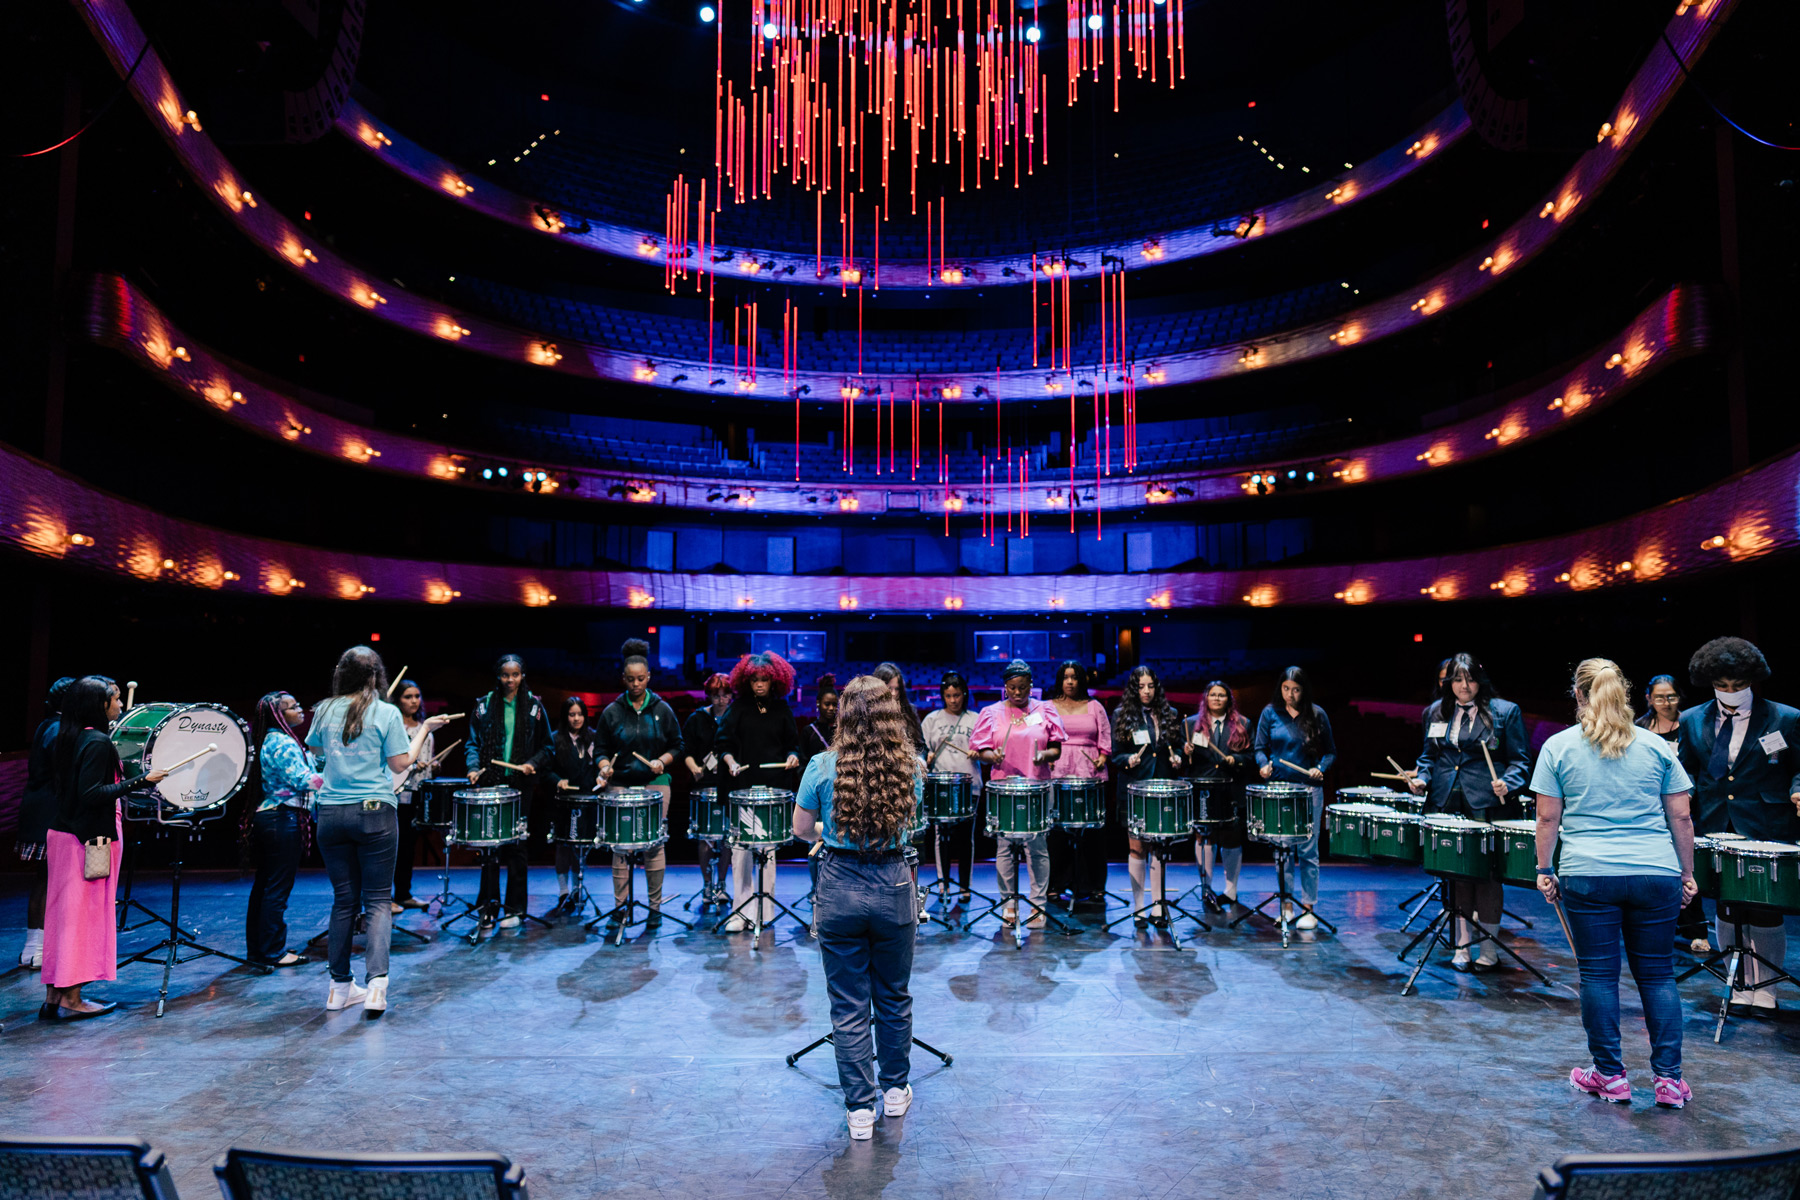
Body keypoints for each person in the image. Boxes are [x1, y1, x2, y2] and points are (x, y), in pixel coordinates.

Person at [1532, 658, 1696, 1109]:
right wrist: (1686, 874)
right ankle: (1669, 1082)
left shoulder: (1558, 746)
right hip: (1655, 873)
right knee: (1658, 975)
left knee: (1598, 977)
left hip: (1589, 875)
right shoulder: (1657, 746)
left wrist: (1544, 869)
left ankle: (1610, 1076)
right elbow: (1681, 817)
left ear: (1578, 695)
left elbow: (1547, 818)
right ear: (1624, 693)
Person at [792, 675, 925, 1140]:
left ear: (844, 715)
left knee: (848, 1004)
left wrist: (831, 832)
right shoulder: (910, 766)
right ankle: (895, 1091)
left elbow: (801, 829)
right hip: (893, 882)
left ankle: (860, 1111)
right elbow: (909, 826)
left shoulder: (821, 765)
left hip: (839, 885)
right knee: (893, 995)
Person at [308, 647, 448, 1015]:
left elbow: (318, 752)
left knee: (343, 901)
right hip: (374, 813)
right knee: (378, 901)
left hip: (331, 814)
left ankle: (338, 989)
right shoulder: (386, 712)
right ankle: (376, 988)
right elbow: (401, 763)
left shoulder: (324, 709)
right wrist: (425, 730)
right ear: (376, 677)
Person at [1675, 637, 1800, 1010]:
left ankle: (1766, 989)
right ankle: (1740, 983)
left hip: (1765, 822)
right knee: (1727, 903)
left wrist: (1798, 789)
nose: (1731, 692)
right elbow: (1686, 770)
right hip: (1714, 821)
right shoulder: (1691, 719)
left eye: (1738, 685)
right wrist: (1682, 795)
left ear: (1753, 680)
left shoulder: (1785, 718)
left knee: (1762, 905)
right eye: (1722, 685)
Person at [40, 676, 165, 1021]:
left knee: (63, 918)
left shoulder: (69, 736)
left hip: (65, 835)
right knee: (83, 920)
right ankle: (73, 999)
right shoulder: (96, 742)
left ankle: (54, 996)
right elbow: (92, 794)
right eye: (115, 699)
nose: (121, 705)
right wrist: (142, 780)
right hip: (89, 840)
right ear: (99, 705)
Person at [1406, 653, 1529, 970]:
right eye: (1458, 680)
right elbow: (1428, 758)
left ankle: (1488, 950)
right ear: (1449, 683)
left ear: (1480, 681)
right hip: (1447, 802)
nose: (1464, 686)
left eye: (1470, 680)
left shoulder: (1505, 712)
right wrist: (1422, 778)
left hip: (1487, 803)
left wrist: (1509, 782)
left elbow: (1520, 761)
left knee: (1488, 878)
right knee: (1457, 876)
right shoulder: (1436, 711)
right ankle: (1461, 947)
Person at [593, 639, 683, 926]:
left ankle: (655, 908)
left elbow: (678, 745)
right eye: (631, 679)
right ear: (623, 678)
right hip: (620, 784)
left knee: (654, 843)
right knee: (621, 846)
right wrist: (605, 766)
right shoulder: (612, 711)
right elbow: (600, 749)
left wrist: (663, 761)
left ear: (649, 677)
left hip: (655, 782)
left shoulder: (662, 709)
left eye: (641, 679)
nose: (636, 684)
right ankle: (620, 907)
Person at [969, 660, 1064, 927]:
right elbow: (982, 751)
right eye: (1012, 688)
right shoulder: (991, 712)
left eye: (1023, 687)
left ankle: (1038, 904)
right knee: (1005, 847)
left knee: (1037, 847)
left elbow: (1056, 749)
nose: (1018, 692)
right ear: (1005, 687)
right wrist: (992, 756)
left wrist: (1044, 754)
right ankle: (1008, 903)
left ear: (1031, 686)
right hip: (1004, 789)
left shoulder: (1044, 709)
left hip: (1037, 787)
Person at [464, 654, 553, 931]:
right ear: (498, 676)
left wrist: (533, 763)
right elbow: (472, 743)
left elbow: (547, 746)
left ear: (522, 676)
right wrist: (473, 767)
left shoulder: (534, 707)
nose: (510, 680)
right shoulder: (484, 705)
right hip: (490, 782)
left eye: (515, 674)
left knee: (517, 846)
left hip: (520, 786)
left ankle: (515, 909)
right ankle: (488, 906)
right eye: (505, 675)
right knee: (489, 845)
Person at [716, 650, 801, 931]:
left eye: (765, 679)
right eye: (755, 680)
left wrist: (792, 756)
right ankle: (741, 912)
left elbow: (793, 745)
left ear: (775, 680)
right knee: (741, 852)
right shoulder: (738, 708)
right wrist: (730, 762)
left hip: (773, 791)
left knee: (768, 852)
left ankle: (764, 911)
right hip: (743, 790)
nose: (760, 685)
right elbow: (723, 744)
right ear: (747, 681)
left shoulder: (782, 709)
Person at [1253, 666, 1337, 929]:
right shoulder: (1270, 713)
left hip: (1308, 790)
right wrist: (1263, 765)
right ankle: (1286, 906)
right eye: (1286, 689)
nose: (1290, 695)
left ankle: (1308, 909)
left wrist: (1320, 768)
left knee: (1308, 851)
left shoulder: (1317, 714)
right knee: (1283, 851)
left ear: (1304, 690)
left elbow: (1331, 752)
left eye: (1296, 690)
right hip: (1279, 790)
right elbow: (1259, 749)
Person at [246, 691, 322, 968]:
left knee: (265, 887)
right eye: (293, 707)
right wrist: (341, 778)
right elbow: (302, 780)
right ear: (278, 715)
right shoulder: (283, 742)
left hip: (271, 818)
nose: (300, 709)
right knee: (276, 889)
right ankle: (273, 951)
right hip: (282, 818)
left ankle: (261, 949)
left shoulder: (270, 739)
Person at [1109, 665, 1187, 926]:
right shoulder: (1121, 715)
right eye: (1141, 686)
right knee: (1137, 847)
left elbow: (1176, 747)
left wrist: (1178, 758)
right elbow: (1116, 755)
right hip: (1135, 790)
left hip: (1162, 789)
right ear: (1134, 689)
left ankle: (1158, 906)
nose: (1146, 691)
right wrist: (1128, 760)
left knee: (1158, 847)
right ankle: (1139, 907)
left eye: (1150, 686)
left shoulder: (1169, 714)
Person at [1638, 674, 1706, 952]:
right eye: (1659, 697)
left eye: (1671, 696)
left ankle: (1696, 930)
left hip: (1686, 804)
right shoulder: (1639, 728)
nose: (1666, 703)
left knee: (1686, 866)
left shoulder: (1690, 725)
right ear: (1649, 699)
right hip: (1650, 808)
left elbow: (1697, 765)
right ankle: (1657, 927)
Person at [529, 696, 607, 912]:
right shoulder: (554, 739)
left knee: (581, 847)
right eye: (572, 715)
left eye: (580, 714)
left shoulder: (593, 738)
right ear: (565, 716)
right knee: (563, 846)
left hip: (587, 800)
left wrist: (601, 777)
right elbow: (545, 771)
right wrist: (557, 781)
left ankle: (577, 889)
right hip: (562, 802)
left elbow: (599, 765)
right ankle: (564, 891)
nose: (576, 719)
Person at [16, 676, 73, 970]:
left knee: (44, 879)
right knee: (47, 881)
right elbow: (63, 766)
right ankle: (36, 949)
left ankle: (34, 948)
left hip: (41, 808)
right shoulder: (56, 728)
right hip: (48, 812)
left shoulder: (50, 724)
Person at [1048, 661, 1111, 907]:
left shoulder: (1095, 706)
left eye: (1074, 677)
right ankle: (1056, 885)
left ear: (1081, 680)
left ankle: (1093, 886)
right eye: (1066, 677)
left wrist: (1102, 757)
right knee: (1058, 833)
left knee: (1091, 834)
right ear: (1060, 680)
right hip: (1058, 773)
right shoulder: (1048, 706)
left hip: (1089, 774)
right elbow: (1041, 736)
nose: (1070, 682)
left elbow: (1105, 739)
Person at [1187, 680, 1253, 908]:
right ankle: (1206, 889)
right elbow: (1181, 758)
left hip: (1231, 788)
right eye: (1212, 694)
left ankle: (1231, 891)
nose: (1216, 699)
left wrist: (1237, 759)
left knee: (1231, 838)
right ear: (1206, 698)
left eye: (1221, 695)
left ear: (1228, 699)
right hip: (1203, 789)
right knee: (1204, 837)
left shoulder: (1243, 723)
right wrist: (1185, 752)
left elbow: (1251, 757)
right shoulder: (1191, 724)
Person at [921, 670, 980, 906]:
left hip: (969, 785)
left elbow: (986, 750)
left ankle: (965, 886)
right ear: (943, 696)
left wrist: (979, 752)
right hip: (941, 786)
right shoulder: (932, 720)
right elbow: (920, 749)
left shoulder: (975, 719)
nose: (953, 700)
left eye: (957, 695)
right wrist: (926, 756)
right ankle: (943, 884)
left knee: (966, 838)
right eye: (948, 696)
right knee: (941, 837)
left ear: (965, 694)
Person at [682, 673, 734, 906]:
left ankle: (721, 884)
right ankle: (706, 885)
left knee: (727, 839)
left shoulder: (736, 717)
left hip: (729, 785)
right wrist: (693, 767)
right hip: (703, 785)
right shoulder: (697, 719)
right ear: (709, 696)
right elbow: (686, 750)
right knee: (705, 838)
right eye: (716, 695)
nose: (721, 700)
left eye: (725, 695)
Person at [389, 679, 435, 913]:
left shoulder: (424, 730)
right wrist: (411, 765)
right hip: (392, 796)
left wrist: (431, 767)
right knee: (390, 848)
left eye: (417, 696)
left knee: (408, 848)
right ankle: (384, 897)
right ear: (397, 700)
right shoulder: (392, 727)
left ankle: (403, 894)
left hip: (415, 795)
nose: (414, 701)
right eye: (408, 697)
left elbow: (426, 766)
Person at [872, 663, 926, 752]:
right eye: (889, 688)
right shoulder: (869, 712)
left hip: (908, 759)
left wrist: (920, 758)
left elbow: (921, 746)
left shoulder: (909, 710)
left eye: (897, 689)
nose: (893, 693)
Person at [802, 674, 841, 764]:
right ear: (818, 703)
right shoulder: (809, 731)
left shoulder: (841, 730)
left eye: (834, 704)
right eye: (827, 704)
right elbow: (803, 762)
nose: (831, 708)